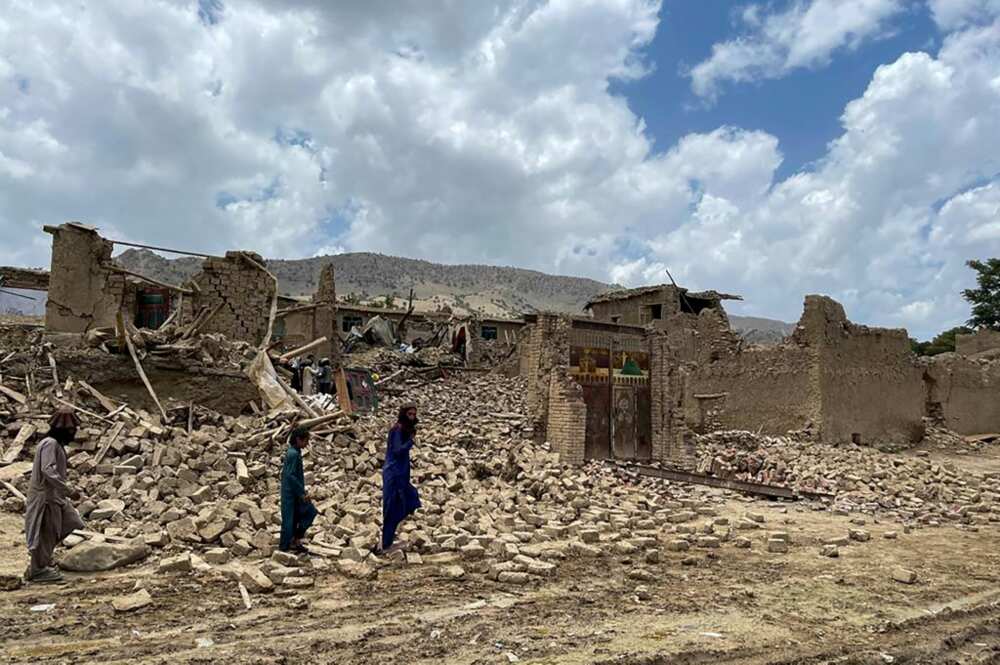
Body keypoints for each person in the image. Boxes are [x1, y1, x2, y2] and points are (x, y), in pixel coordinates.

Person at [24, 406, 85, 583]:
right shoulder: (50, 443)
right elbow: (47, 470)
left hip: (55, 496)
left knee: (71, 521)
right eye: (72, 430)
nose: (74, 434)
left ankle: (42, 561)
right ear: (63, 430)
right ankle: (38, 569)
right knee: (45, 531)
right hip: (45, 497)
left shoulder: (54, 445)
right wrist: (68, 490)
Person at [380, 404, 421, 554]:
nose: (412, 417)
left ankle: (388, 538)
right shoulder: (398, 430)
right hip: (394, 474)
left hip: (400, 474)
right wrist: (410, 441)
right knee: (392, 507)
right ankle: (386, 544)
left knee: (410, 499)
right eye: (409, 414)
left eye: (413, 414)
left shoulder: (403, 430)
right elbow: (397, 450)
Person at [279, 426, 317, 553]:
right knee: (290, 520)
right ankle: (284, 548)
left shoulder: (295, 452)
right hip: (291, 493)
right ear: (298, 439)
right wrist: (301, 493)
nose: (307, 444)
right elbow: (290, 475)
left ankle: (295, 540)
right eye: (305, 440)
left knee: (300, 516)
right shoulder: (293, 454)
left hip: (294, 492)